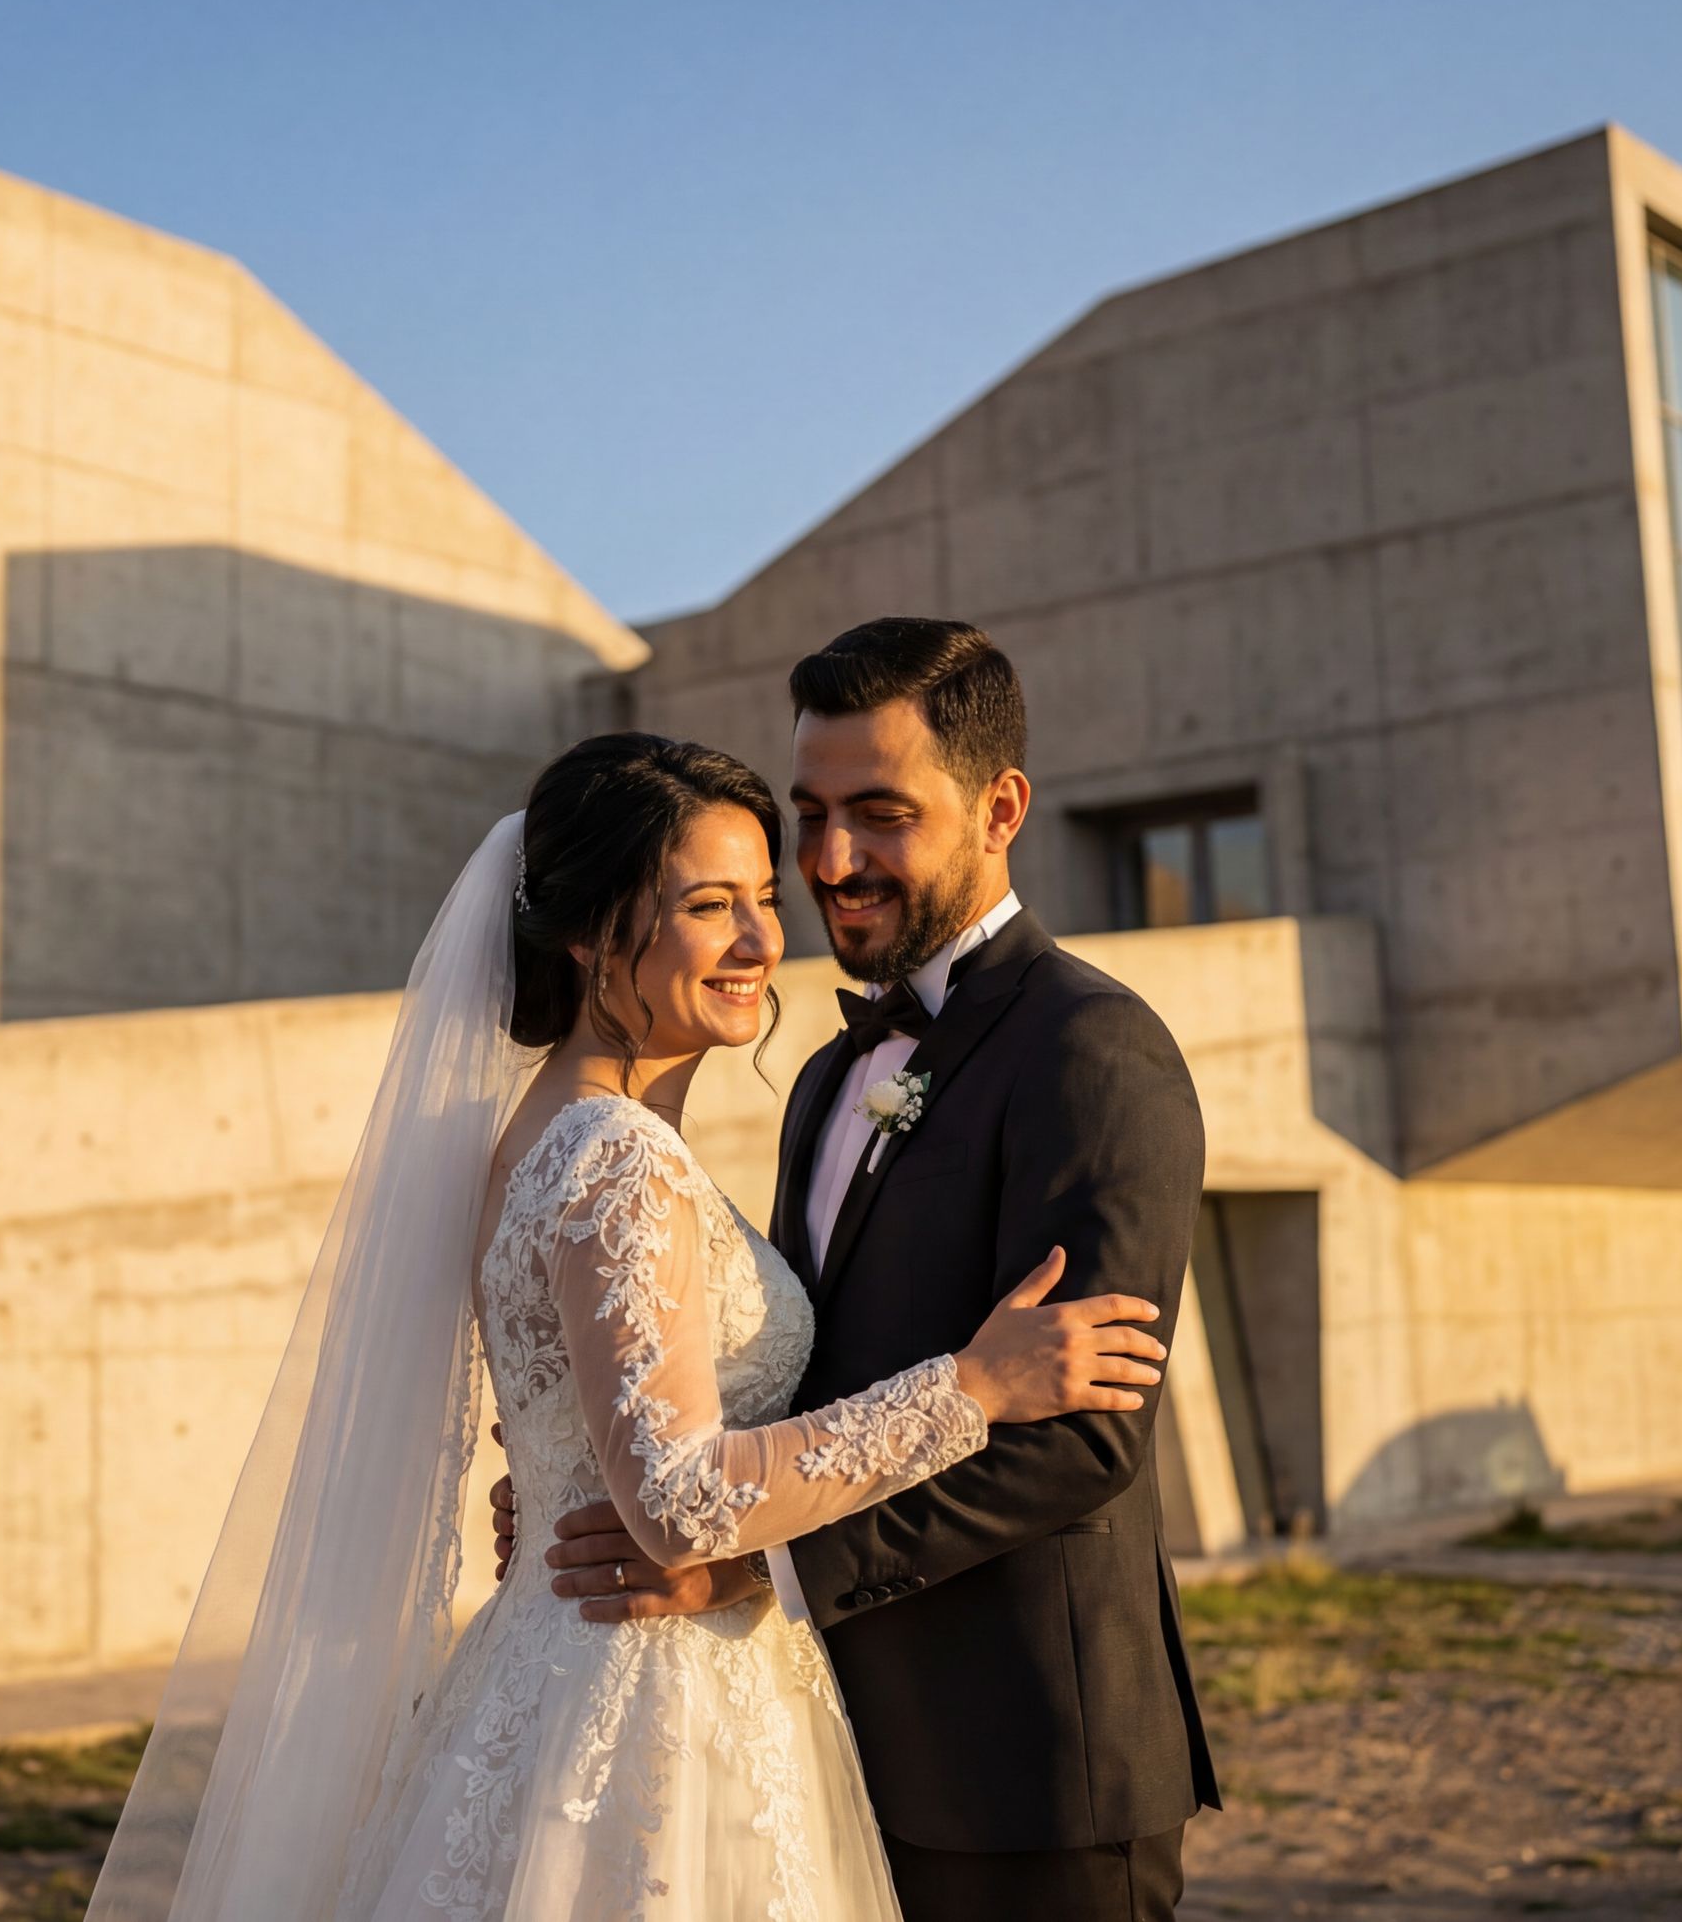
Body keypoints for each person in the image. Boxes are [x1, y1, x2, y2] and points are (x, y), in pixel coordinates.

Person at [87, 729, 1170, 1922]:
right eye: (709, 906)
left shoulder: (541, 1131)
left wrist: (563, 1481)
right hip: (648, 1702)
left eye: (763, 899)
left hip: (570, 1663)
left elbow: (607, 1426)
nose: (761, 940)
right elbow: (681, 1504)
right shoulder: (616, 1157)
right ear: (595, 936)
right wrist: (972, 1388)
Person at [502, 619, 1221, 1921]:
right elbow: (791, 1377)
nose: (832, 862)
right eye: (813, 817)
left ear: (1001, 809)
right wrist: (593, 1467)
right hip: (818, 1745)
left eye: (881, 815)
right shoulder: (824, 1075)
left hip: (1025, 1767)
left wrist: (749, 1568)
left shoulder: (1092, 1049)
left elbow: (1084, 1435)